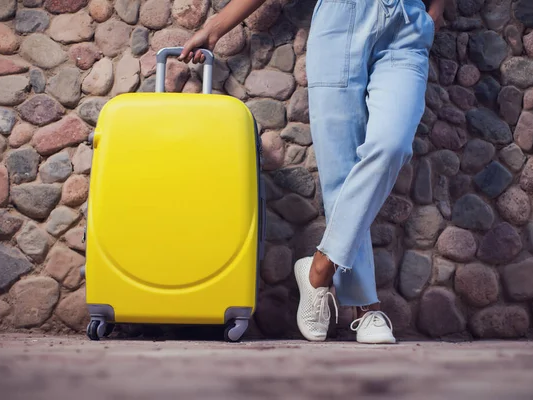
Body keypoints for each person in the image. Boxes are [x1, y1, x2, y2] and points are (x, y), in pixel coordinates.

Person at [179, 0, 445, 344]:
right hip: (340, 22)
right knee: (341, 169)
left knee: (391, 146)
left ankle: (319, 269)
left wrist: (435, 14)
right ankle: (365, 308)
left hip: (406, 27)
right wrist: (215, 27)